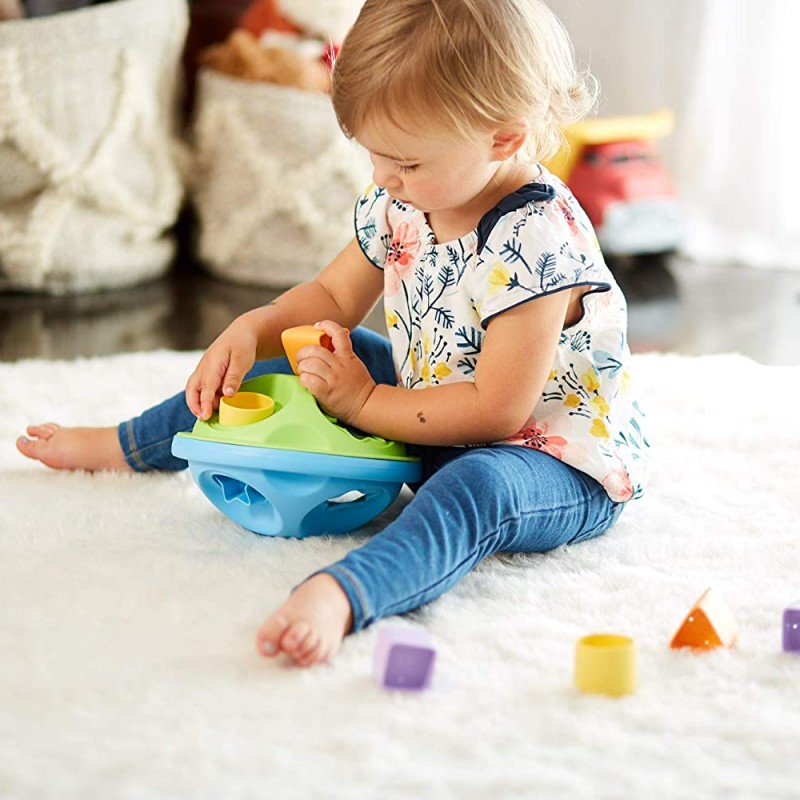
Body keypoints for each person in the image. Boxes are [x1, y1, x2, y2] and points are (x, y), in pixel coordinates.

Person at [16, 0, 649, 667]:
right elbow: (331, 298)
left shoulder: (536, 240)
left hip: (545, 458)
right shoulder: (407, 197)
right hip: (428, 407)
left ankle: (345, 593)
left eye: (404, 161)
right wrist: (254, 328)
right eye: (372, 154)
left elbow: (497, 410)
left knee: (478, 489)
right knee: (305, 353)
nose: (382, 177)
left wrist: (362, 402)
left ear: (503, 138)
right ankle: (132, 444)